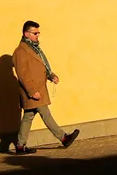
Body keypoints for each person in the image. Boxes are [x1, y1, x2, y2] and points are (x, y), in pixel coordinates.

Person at [13, 21, 80, 154]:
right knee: (45, 113)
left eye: (38, 33)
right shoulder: (20, 52)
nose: (38, 35)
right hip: (33, 91)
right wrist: (32, 91)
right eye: (35, 33)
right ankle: (63, 137)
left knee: (28, 116)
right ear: (26, 34)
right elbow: (22, 74)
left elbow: (42, 65)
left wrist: (51, 76)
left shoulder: (34, 48)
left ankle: (20, 145)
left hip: (39, 89)